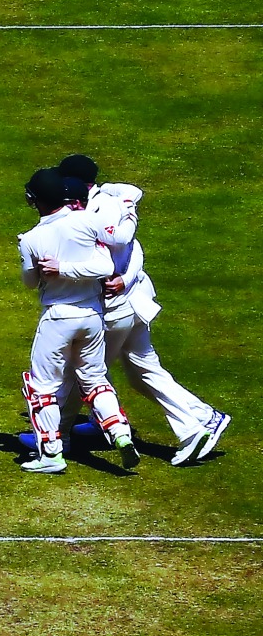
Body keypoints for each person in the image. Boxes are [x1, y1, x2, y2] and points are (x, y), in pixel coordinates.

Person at [56, 156, 231, 465]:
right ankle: (202, 419)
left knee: (82, 373)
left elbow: (122, 239)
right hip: (131, 301)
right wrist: (127, 277)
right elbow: (135, 247)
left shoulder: (101, 210)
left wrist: (119, 276)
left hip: (116, 310)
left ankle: (56, 437)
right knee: (141, 371)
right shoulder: (110, 201)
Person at [18, 168, 139, 473]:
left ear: (34, 200)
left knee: (42, 386)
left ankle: (50, 454)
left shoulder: (31, 239)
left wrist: (60, 268)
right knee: (95, 378)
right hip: (93, 318)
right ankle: (120, 433)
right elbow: (104, 264)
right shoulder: (87, 221)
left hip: (57, 318)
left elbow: (30, 282)